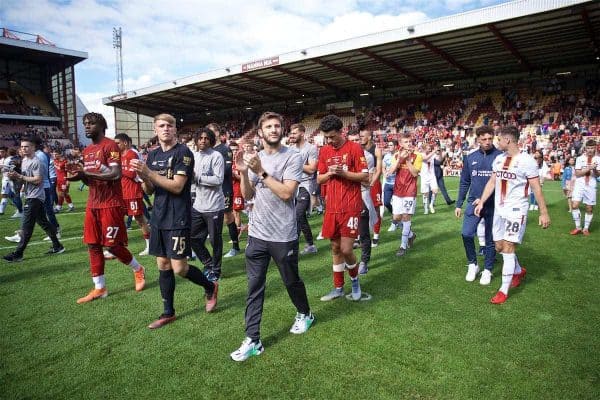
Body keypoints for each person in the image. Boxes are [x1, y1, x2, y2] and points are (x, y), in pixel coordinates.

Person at [230, 112, 314, 362]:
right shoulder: (257, 158)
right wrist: (245, 172)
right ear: (260, 132)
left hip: (283, 233)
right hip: (257, 233)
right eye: (269, 126)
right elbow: (246, 196)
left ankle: (305, 312)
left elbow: (288, 193)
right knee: (254, 287)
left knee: (291, 281)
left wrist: (262, 172)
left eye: (278, 126)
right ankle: (253, 339)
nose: (274, 129)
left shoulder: (293, 156)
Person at [131, 114, 218, 329]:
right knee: (162, 263)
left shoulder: (183, 153)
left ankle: (210, 286)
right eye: (161, 125)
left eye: (170, 125)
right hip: (159, 215)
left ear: (175, 129)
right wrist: (143, 177)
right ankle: (168, 312)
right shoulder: (152, 156)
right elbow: (150, 190)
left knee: (179, 268)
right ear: (155, 129)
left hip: (178, 215)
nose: (166, 128)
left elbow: (178, 186)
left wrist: (149, 172)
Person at [67, 112, 146, 304]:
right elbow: (89, 178)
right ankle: (99, 288)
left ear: (101, 126)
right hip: (93, 203)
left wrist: (86, 172)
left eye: (91, 123)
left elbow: (115, 174)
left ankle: (138, 269)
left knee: (111, 245)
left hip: (110, 203)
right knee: (93, 244)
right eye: (85, 123)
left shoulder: (110, 145)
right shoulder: (87, 151)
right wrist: (79, 175)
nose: (87, 126)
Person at [475, 126, 550, 304]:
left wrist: (543, 212)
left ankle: (503, 290)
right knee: (499, 247)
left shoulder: (527, 161)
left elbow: (536, 188)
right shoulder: (499, 159)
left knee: (508, 248)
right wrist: (482, 201)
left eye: (499, 139)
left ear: (508, 140)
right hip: (500, 210)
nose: (496, 142)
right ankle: (518, 271)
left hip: (517, 210)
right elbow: (493, 181)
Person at [317, 114, 368, 301]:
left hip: (351, 205)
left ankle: (355, 282)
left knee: (347, 249)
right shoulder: (324, 152)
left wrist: (344, 173)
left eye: (332, 136)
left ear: (341, 132)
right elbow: (319, 178)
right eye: (326, 137)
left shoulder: (354, 148)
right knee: (335, 248)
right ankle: (338, 288)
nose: (329, 140)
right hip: (332, 206)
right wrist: (330, 173)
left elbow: (364, 176)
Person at [3, 137, 64, 262]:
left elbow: (38, 180)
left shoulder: (37, 161)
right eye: (22, 146)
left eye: (27, 146)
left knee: (27, 226)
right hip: (30, 195)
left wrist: (19, 176)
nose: (23, 149)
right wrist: (15, 176)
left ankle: (18, 254)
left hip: (35, 196)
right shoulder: (24, 160)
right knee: (43, 222)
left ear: (33, 147)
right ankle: (58, 246)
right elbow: (25, 178)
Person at [455, 126, 502, 285]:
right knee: (466, 233)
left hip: (493, 205)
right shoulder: (470, 157)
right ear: (478, 140)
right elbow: (465, 181)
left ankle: (487, 269)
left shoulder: (500, 157)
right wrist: (459, 204)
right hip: (472, 202)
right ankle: (473, 264)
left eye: (490, 138)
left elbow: (502, 184)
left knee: (490, 239)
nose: (487, 142)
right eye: (484, 139)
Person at [190, 128, 225, 282]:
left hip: (214, 206)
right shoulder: (194, 156)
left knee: (215, 240)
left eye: (206, 138)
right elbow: (190, 179)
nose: (203, 140)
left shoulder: (216, 156)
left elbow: (218, 180)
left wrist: (197, 178)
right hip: (198, 205)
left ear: (211, 140)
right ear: (196, 140)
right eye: (200, 138)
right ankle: (208, 263)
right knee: (192, 237)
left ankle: (216, 270)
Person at [208, 123, 241, 258]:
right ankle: (216, 249)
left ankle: (235, 246)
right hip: (210, 190)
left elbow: (227, 169)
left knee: (228, 217)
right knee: (211, 218)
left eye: (211, 132)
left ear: (217, 133)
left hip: (224, 188)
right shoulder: (206, 150)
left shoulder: (224, 149)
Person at [114, 133, 151, 256]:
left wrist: (118, 170)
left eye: (118, 143)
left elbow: (132, 174)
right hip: (122, 193)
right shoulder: (118, 155)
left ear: (125, 143)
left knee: (140, 220)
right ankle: (119, 246)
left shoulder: (132, 154)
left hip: (132, 192)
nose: (116, 145)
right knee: (117, 219)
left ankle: (150, 245)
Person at [287, 123, 318, 255]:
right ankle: (311, 244)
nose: (291, 135)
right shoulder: (289, 148)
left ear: (302, 133)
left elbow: (312, 169)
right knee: (298, 217)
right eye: (291, 133)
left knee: (298, 214)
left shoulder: (310, 148)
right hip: (292, 185)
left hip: (305, 185)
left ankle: (292, 247)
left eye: (294, 133)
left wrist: (296, 163)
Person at [388, 133, 422, 256]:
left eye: (410, 141)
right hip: (398, 191)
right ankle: (411, 235)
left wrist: (407, 160)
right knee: (396, 217)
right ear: (401, 144)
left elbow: (414, 173)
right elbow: (390, 172)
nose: (409, 144)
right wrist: (399, 159)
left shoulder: (417, 156)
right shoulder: (396, 155)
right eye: (406, 142)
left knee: (406, 217)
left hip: (410, 191)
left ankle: (402, 246)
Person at [570, 139, 600, 235]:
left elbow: (598, 175)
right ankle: (578, 227)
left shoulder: (598, 159)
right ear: (585, 149)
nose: (590, 150)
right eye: (588, 148)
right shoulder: (580, 158)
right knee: (574, 205)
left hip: (591, 184)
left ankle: (586, 228)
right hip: (580, 183)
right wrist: (588, 168)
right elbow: (577, 173)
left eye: (592, 148)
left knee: (589, 208)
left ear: (595, 148)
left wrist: (594, 170)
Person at [360, 130, 383, 247]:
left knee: (375, 209)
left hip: (374, 184)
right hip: (362, 184)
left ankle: (376, 236)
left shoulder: (376, 150)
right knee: (362, 210)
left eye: (362, 136)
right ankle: (363, 235)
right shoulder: (358, 149)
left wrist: (372, 183)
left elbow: (379, 170)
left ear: (369, 137)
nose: (360, 138)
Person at [382, 140, 398, 231]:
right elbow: (383, 167)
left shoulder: (398, 156)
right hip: (388, 183)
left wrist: (392, 172)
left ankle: (394, 223)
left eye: (391, 145)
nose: (389, 146)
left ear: (395, 146)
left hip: (397, 183)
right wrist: (384, 173)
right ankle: (395, 216)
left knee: (396, 204)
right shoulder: (386, 156)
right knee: (386, 202)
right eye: (388, 145)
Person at [419, 144, 438, 214]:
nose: (429, 149)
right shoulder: (421, 154)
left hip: (432, 176)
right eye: (428, 148)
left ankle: (431, 205)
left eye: (430, 148)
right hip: (424, 176)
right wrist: (434, 151)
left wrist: (440, 152)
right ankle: (425, 208)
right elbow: (425, 158)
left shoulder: (432, 154)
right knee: (425, 194)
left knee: (435, 191)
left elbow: (439, 159)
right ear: (424, 149)